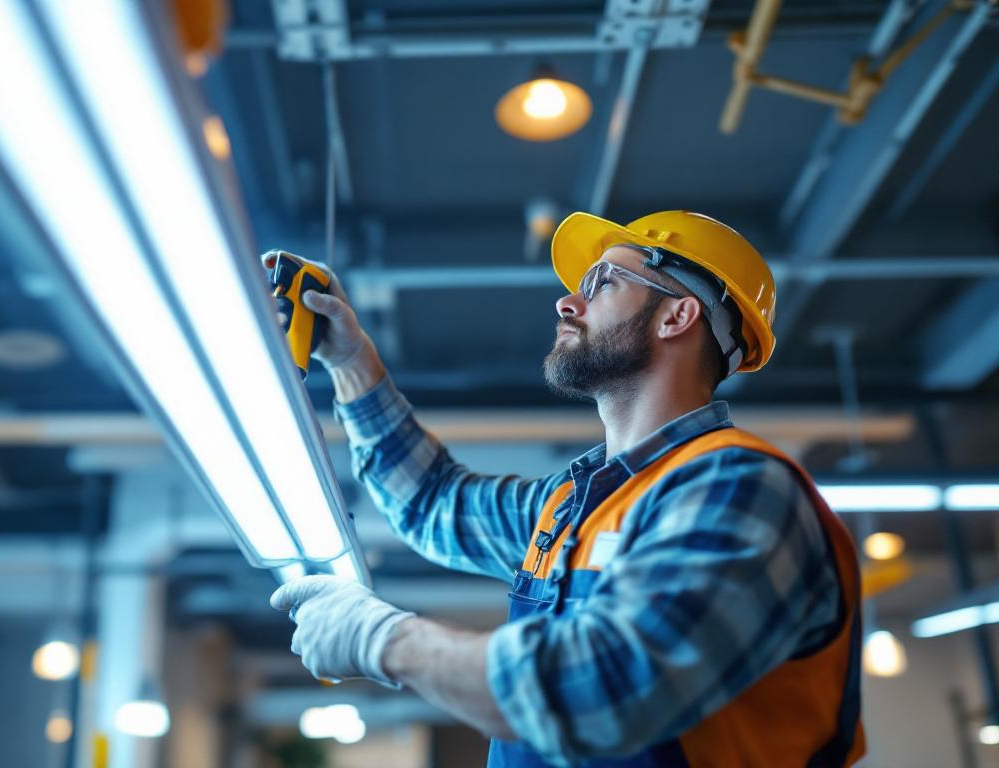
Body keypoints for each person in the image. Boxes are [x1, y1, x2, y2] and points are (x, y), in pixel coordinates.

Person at [267, 211, 865, 767]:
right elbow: (432, 502)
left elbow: (606, 688)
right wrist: (349, 359)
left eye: (603, 281)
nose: (567, 300)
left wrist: (383, 640)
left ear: (677, 315)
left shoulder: (739, 488)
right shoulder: (573, 505)